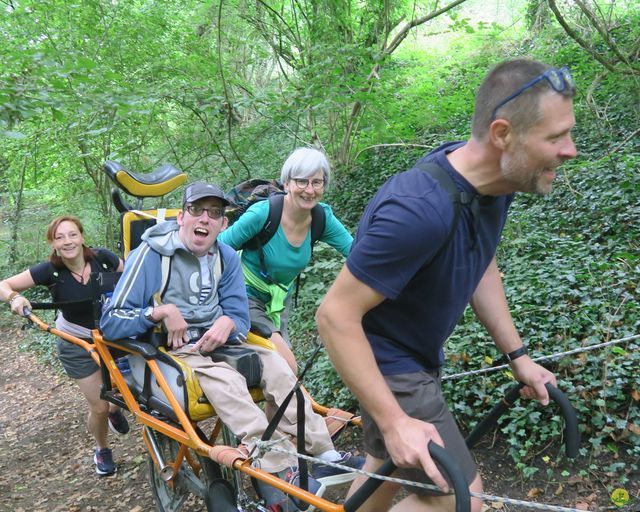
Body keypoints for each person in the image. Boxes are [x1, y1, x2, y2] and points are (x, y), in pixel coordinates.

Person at [315, 58, 578, 512]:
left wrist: (518, 358)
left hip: (414, 356)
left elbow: (482, 262)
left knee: (383, 470)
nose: (570, 149)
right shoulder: (418, 210)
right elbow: (334, 316)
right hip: (390, 364)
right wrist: (395, 419)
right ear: (502, 135)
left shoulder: (494, 182)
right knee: (460, 500)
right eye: (555, 137)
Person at [100, 181, 362, 511]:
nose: (205, 219)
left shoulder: (225, 256)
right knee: (227, 380)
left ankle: (325, 454)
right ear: (182, 217)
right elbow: (111, 321)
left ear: (224, 224)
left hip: (220, 344)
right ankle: (282, 467)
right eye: (197, 210)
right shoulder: (151, 255)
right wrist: (160, 312)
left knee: (276, 365)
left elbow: (239, 313)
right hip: (170, 351)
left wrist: (229, 322)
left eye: (215, 213)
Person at [0, 215, 129, 477]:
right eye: (59, 237)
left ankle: (115, 409)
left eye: (72, 234)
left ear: (82, 236)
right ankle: (102, 448)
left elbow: (135, 279)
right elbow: (5, 284)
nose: (67, 241)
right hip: (76, 342)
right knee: (99, 407)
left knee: (127, 394)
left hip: (114, 337)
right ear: (53, 244)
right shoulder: (50, 270)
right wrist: (14, 297)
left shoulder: (104, 259)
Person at [218, 147, 353, 373]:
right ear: (287, 183)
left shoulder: (322, 218)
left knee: (280, 375)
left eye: (317, 182)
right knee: (287, 366)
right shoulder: (263, 213)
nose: (309, 190)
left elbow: (357, 253)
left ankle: (277, 409)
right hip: (243, 295)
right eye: (301, 181)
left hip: (279, 303)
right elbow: (218, 248)